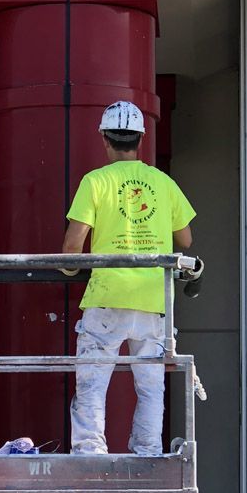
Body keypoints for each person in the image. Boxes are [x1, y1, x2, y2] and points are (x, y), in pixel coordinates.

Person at [62, 100, 196, 455]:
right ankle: (148, 452)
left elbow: (72, 245)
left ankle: (90, 453)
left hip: (107, 295)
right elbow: (186, 239)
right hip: (153, 300)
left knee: (93, 382)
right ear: (140, 140)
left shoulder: (95, 182)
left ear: (105, 139)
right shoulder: (162, 183)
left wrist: (69, 268)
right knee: (151, 386)